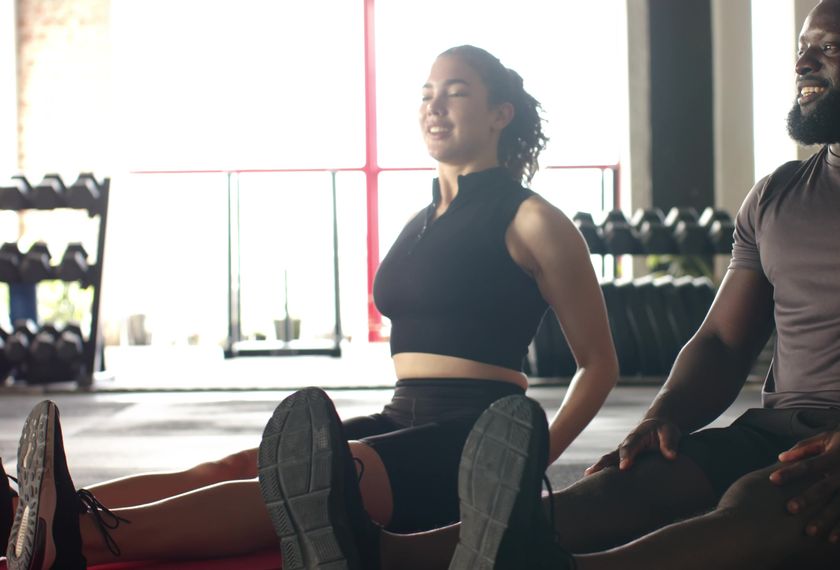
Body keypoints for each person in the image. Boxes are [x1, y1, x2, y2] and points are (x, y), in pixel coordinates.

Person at [280, 1, 840, 568]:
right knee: (628, 485)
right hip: (777, 438)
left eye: (830, 48)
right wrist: (663, 418)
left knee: (759, 503)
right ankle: (391, 556)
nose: (805, 63)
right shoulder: (776, 195)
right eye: (802, 49)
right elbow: (719, 340)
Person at [3, 44, 618, 570]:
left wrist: (526, 461)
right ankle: (34, 517)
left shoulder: (533, 218)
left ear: (499, 115)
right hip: (399, 416)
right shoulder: (423, 220)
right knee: (241, 463)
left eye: (455, 93)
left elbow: (598, 364)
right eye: (427, 92)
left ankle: (72, 540)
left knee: (296, 486)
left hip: (471, 435)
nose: (434, 105)